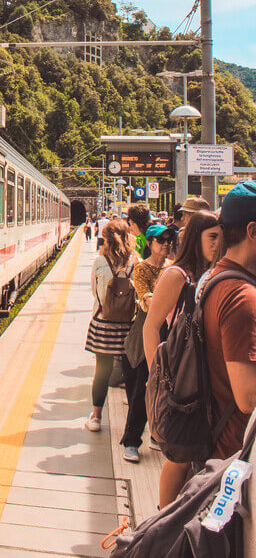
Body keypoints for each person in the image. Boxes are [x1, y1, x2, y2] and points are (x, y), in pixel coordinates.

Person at [143, 210, 221, 507]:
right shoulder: (177, 275)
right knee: (180, 455)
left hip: (202, 376)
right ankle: (160, 518)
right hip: (180, 377)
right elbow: (151, 327)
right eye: (212, 237)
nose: (218, 243)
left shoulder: (215, 274)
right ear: (195, 239)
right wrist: (157, 378)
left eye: (221, 237)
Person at [203, 182, 256, 461]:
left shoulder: (216, 278)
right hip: (236, 458)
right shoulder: (243, 298)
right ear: (253, 231)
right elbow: (247, 398)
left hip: (219, 448)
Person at [120, 223, 174, 462]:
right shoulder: (141, 268)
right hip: (144, 337)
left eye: (168, 240)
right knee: (142, 389)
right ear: (150, 243)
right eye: (160, 240)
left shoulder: (173, 268)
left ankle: (155, 433)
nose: (165, 244)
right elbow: (147, 299)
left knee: (163, 390)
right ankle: (131, 441)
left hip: (169, 335)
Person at [85, 218, 137, 432]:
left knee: (102, 371)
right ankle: (132, 419)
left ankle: (96, 418)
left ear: (106, 239)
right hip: (128, 328)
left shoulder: (99, 262)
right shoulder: (137, 262)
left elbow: (94, 291)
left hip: (103, 325)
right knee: (131, 374)